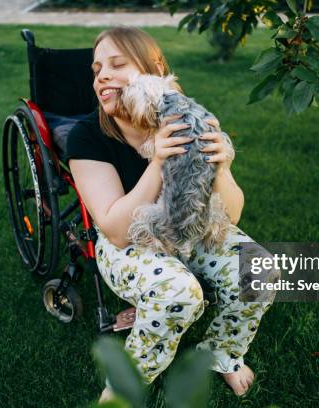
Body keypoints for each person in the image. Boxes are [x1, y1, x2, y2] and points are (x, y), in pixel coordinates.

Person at [67, 26, 275, 403]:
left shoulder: (184, 119)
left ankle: (222, 351)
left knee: (257, 269)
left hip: (188, 228)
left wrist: (222, 168)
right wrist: (158, 160)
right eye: (97, 70)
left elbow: (232, 215)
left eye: (117, 64)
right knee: (177, 291)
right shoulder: (86, 136)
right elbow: (115, 230)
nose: (103, 76)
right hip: (128, 244)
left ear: (155, 68)